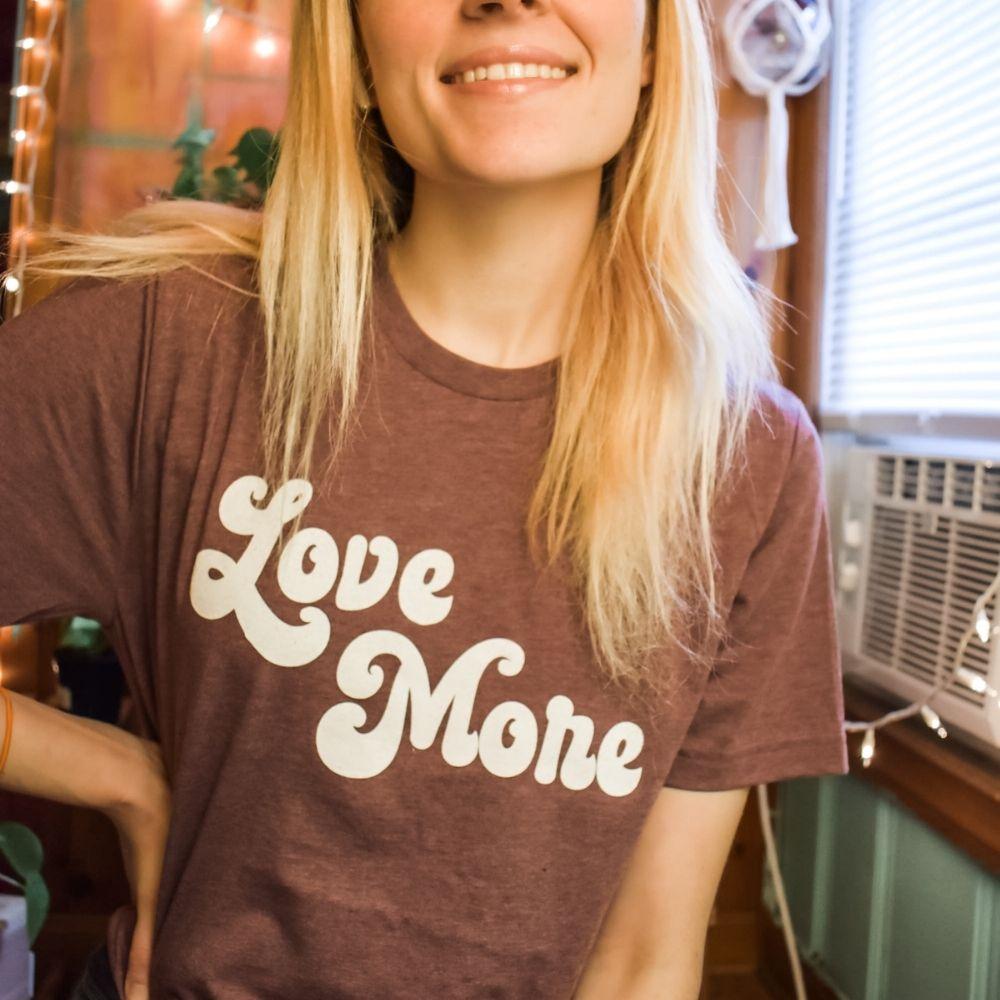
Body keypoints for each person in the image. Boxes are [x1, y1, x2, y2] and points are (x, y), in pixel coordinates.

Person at [0, 1, 849, 998]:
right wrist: (114, 773)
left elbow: (642, 964)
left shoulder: (747, 459)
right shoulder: (169, 341)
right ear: (355, 53)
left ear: (656, 42)